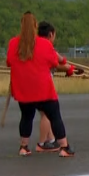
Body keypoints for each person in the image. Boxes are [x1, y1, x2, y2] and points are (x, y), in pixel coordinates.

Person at [7, 12, 77, 157]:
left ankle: (23, 146)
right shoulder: (44, 44)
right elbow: (55, 63)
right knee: (54, 115)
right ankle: (64, 147)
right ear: (35, 26)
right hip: (43, 90)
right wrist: (68, 66)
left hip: (23, 90)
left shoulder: (13, 43)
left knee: (26, 116)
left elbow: (9, 62)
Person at [34, 21, 65, 152]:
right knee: (46, 114)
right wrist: (69, 68)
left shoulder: (33, 44)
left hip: (32, 85)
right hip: (42, 86)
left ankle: (51, 139)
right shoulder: (47, 46)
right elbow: (59, 62)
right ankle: (41, 143)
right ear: (51, 34)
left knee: (45, 114)